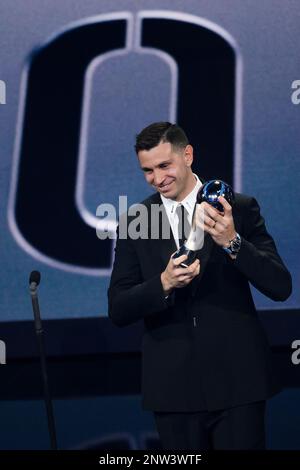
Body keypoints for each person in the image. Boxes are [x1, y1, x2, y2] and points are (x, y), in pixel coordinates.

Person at [107, 122, 292, 450]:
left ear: (188, 155)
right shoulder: (135, 222)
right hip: (173, 390)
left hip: (239, 383)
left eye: (165, 165)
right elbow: (118, 308)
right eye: (147, 170)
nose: (157, 178)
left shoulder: (239, 207)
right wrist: (163, 283)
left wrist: (231, 241)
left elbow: (281, 286)